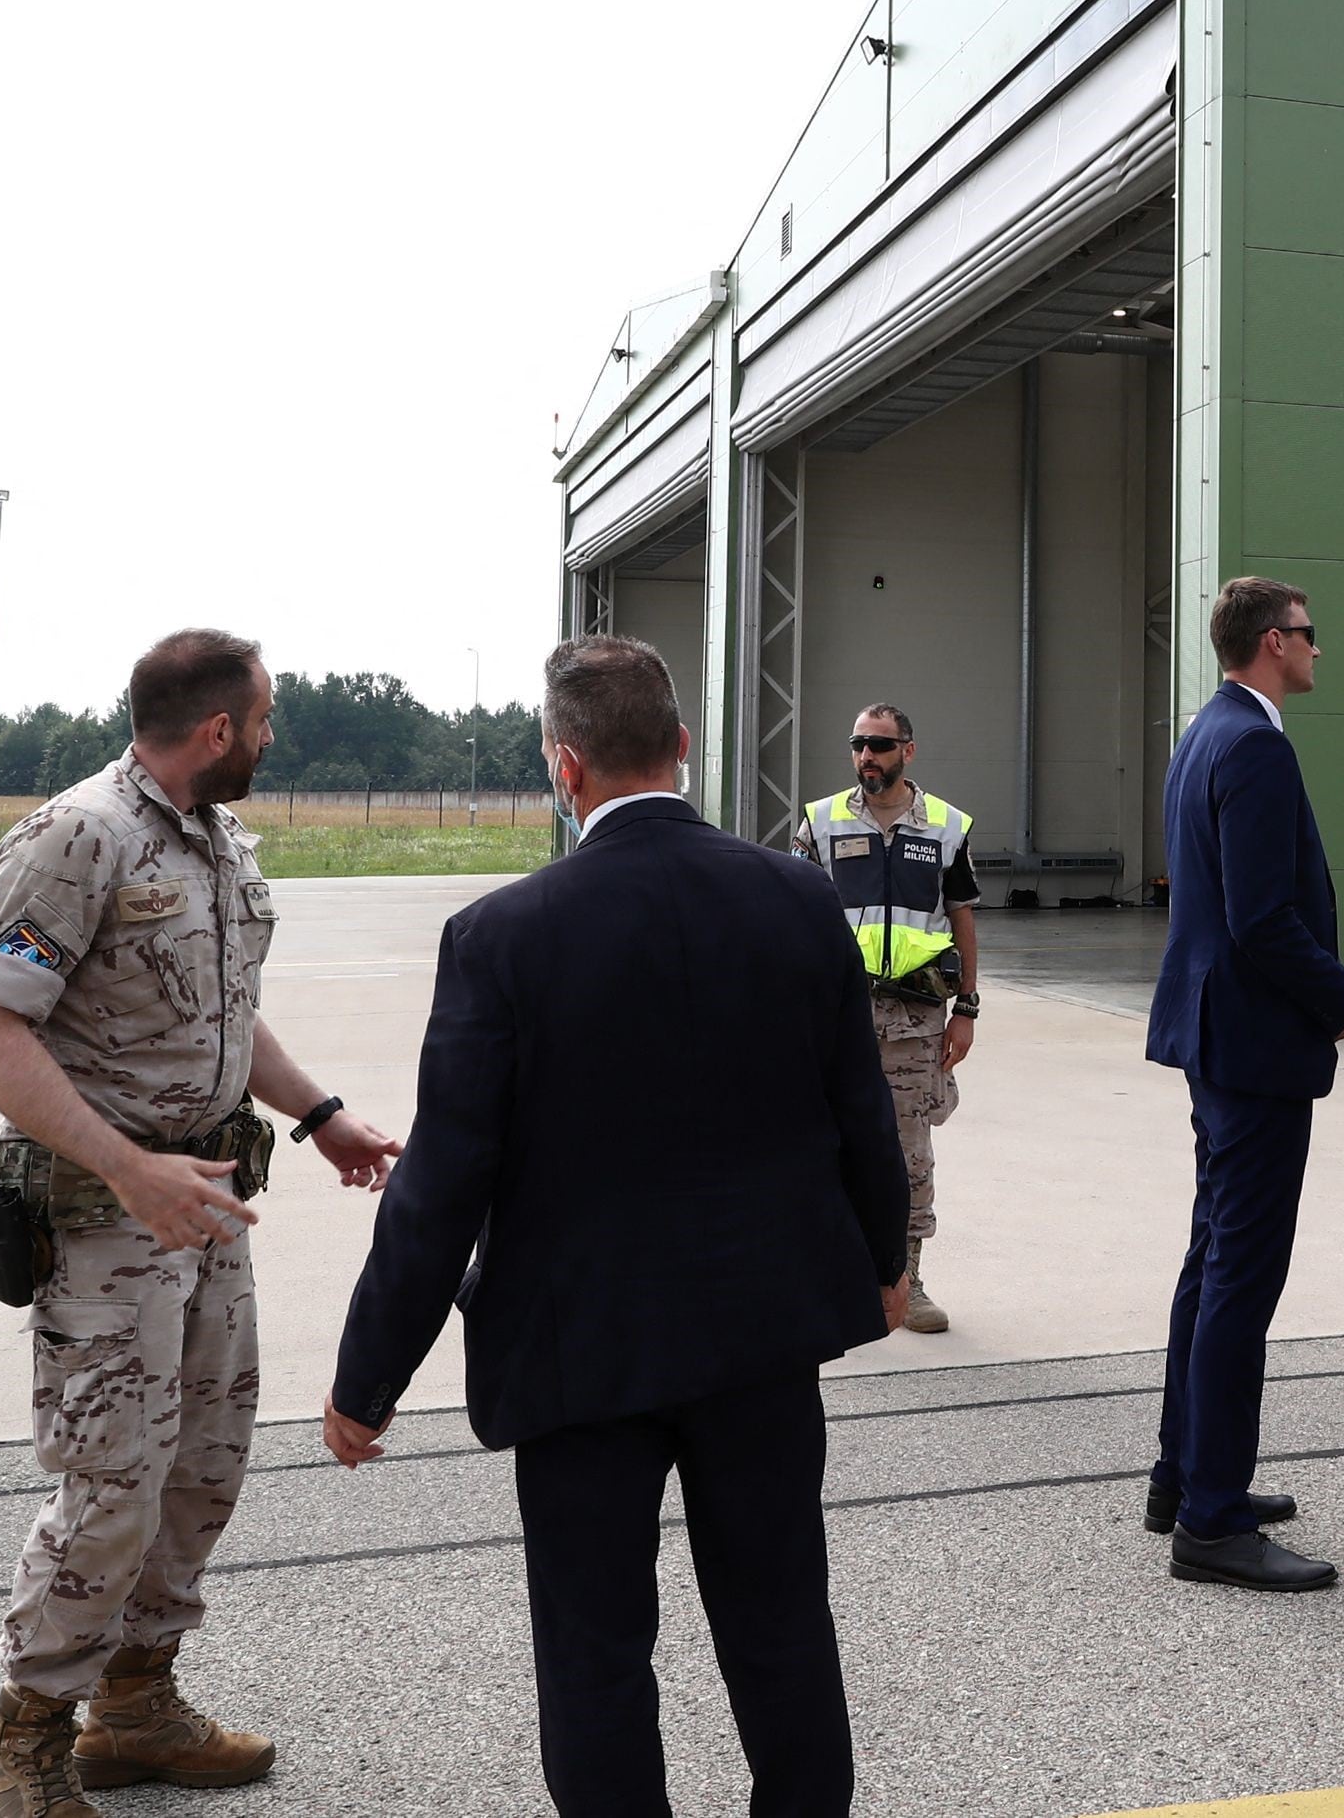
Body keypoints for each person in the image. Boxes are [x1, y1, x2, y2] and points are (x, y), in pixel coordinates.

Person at [323, 635, 910, 1817]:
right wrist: (882, 1263)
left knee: (595, 1655)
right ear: (682, 748)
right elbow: (863, 1108)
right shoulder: (796, 894)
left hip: (581, 1350)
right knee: (782, 1621)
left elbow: (443, 1185)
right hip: (760, 1336)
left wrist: (366, 1381)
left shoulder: (501, 935)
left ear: (564, 767)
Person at [0, 628, 400, 1818]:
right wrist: (130, 1169)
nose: (268, 739)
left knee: (202, 1472)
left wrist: (323, 1116)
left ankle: (136, 1710)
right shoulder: (76, 835)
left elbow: (226, 1014)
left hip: (205, 1214)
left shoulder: (214, 840)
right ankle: (28, 1750)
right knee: (111, 1486)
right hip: (106, 1225)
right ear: (216, 731)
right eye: (262, 721)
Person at [1144, 577, 1344, 1590]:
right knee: (1240, 1274)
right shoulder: (1257, 746)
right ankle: (1214, 1521)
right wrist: (1340, 994)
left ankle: (1184, 1476)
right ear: (1276, 641)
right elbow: (1262, 919)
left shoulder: (1205, 733)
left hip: (1214, 1037)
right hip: (1255, 1043)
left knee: (1209, 1257)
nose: (1320, 649)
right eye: (1310, 635)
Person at [792, 704, 980, 1334]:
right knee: (823, 1145)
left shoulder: (947, 828)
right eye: (857, 745)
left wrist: (968, 1009)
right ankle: (832, 1275)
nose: (866, 756)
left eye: (878, 745)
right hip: (835, 1019)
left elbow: (961, 917)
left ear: (908, 750)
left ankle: (908, 1279)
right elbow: (794, 914)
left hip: (916, 1021)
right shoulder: (820, 822)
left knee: (908, 1154)